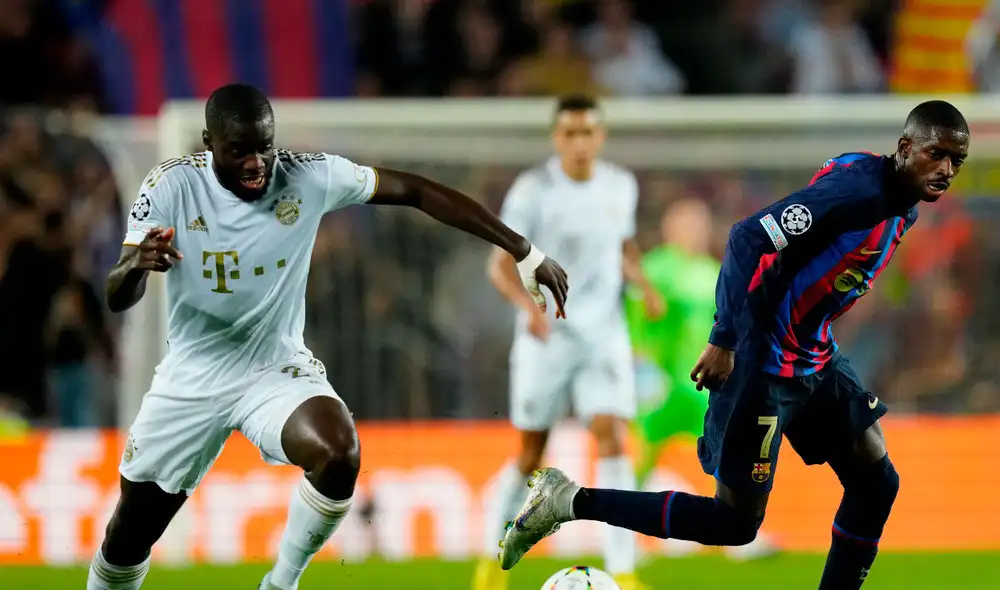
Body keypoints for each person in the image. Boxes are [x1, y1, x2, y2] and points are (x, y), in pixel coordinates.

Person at [87, 83, 569, 590]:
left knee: (339, 451)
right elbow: (118, 294)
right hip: (192, 377)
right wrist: (137, 266)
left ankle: (281, 583)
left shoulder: (307, 175)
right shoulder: (171, 186)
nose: (255, 163)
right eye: (238, 151)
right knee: (129, 535)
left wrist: (524, 251)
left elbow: (418, 192)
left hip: (273, 368)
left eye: (263, 147)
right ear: (208, 143)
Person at [497, 100, 970, 590]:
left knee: (876, 482)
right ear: (905, 147)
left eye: (956, 161)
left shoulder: (901, 202)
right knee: (734, 523)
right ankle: (568, 500)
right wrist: (724, 339)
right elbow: (748, 238)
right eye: (936, 154)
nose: (946, 169)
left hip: (813, 356)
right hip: (760, 362)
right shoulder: (858, 191)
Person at [474, 94, 662, 590]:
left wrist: (642, 285)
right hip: (548, 338)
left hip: (603, 333)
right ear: (557, 138)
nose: (580, 142)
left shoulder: (621, 185)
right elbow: (499, 265)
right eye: (570, 133)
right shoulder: (533, 191)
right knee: (532, 452)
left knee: (613, 438)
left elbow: (620, 243)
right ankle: (492, 563)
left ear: (601, 137)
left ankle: (623, 567)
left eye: (588, 133)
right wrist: (527, 311)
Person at [625, 197, 778, 561]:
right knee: (642, 457)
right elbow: (634, 322)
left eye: (700, 224)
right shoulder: (654, 269)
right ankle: (624, 537)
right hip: (663, 384)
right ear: (669, 228)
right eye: (687, 224)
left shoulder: (716, 272)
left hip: (707, 386)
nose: (695, 232)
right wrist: (639, 369)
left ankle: (740, 533)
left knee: (729, 450)